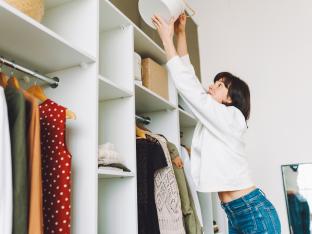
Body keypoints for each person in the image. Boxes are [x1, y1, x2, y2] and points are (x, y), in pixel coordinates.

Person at [151, 13, 281, 233]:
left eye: (219, 85)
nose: (211, 86)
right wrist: (181, 33)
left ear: (231, 98)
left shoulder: (232, 118)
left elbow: (188, 88)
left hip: (254, 213)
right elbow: (189, 77)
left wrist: (166, 38)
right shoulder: (215, 119)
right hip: (235, 214)